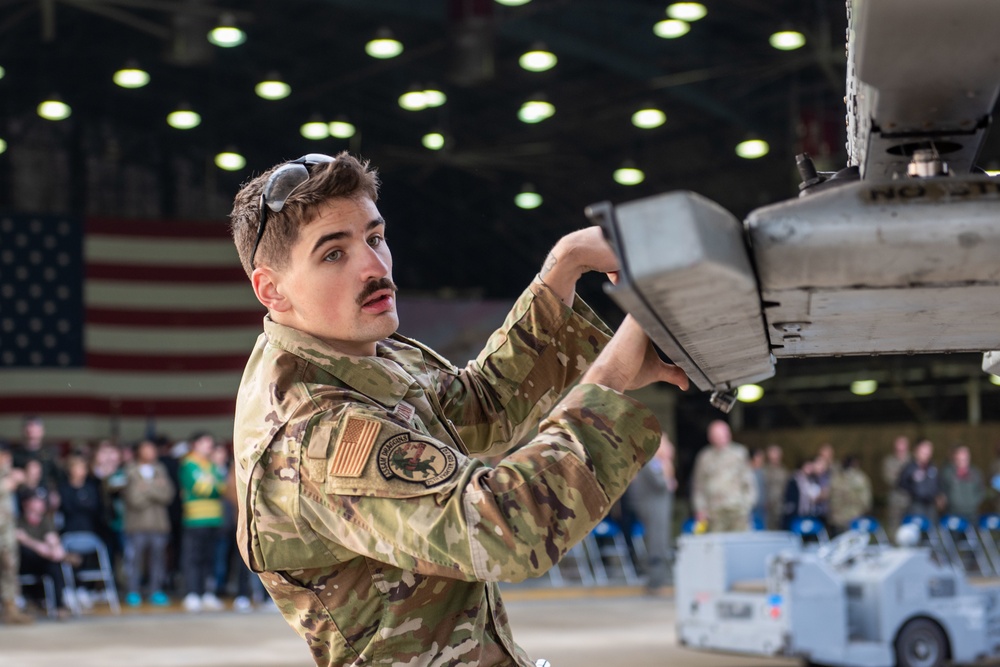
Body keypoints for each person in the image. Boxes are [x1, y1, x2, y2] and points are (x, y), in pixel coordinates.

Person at [227, 151, 688, 666]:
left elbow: (478, 409)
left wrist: (567, 264)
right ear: (272, 290)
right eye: (333, 255)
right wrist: (614, 370)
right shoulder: (315, 430)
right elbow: (504, 529)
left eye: (375, 239)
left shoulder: (363, 352)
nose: (374, 267)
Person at [122, 439, 176, 608]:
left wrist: (146, 487)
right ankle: (133, 591)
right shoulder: (130, 470)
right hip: (136, 524)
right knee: (134, 560)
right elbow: (133, 499)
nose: (150, 453)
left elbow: (168, 495)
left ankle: (156, 591)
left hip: (159, 524)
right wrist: (155, 488)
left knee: (158, 560)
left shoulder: (160, 469)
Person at [178, 432, 226, 612]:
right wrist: (212, 484)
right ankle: (192, 593)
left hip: (214, 518)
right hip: (195, 519)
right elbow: (201, 488)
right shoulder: (189, 463)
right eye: (205, 443)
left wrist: (212, 484)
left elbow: (221, 487)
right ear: (195, 444)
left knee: (210, 558)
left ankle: (207, 593)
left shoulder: (211, 465)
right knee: (193, 558)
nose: (209, 446)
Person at [626, 433, 677, 593]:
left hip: (658, 507)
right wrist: (667, 468)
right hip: (653, 508)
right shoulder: (652, 461)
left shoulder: (654, 462)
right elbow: (662, 484)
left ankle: (658, 580)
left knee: (660, 543)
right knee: (657, 544)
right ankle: (655, 583)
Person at [15, 488, 78, 618]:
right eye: (36, 500)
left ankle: (59, 606)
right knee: (27, 551)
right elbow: (24, 540)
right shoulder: (18, 521)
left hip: (43, 560)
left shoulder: (45, 520)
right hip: (23, 563)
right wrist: (41, 547)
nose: (40, 503)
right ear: (26, 504)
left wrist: (56, 549)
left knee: (55, 566)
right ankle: (29, 600)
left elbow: (51, 538)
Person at [691, 420, 757, 532]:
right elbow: (698, 486)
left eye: (722, 435)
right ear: (710, 437)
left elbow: (749, 482)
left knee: (740, 544)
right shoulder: (704, 457)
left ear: (729, 435)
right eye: (716, 436)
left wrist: (747, 505)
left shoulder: (740, 453)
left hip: (738, 510)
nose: (719, 439)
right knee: (717, 546)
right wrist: (700, 509)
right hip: (714, 512)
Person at [0, 442, 33, 624]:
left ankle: (10, 608)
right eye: (4, 455)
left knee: (9, 570)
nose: (7, 460)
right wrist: (6, 485)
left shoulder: (9, 474)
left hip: (7, 532)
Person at [897, 439, 941, 522]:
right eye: (924, 450)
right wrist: (913, 492)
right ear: (917, 451)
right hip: (916, 505)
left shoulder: (933, 467)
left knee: (931, 530)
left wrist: (938, 496)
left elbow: (938, 484)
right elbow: (901, 484)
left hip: (931, 505)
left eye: (929, 450)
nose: (926, 453)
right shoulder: (910, 468)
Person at [828, 455, 874, 534]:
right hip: (855, 515)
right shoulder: (861, 478)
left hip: (838, 518)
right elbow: (866, 499)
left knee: (838, 541)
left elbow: (831, 498)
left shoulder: (836, 478)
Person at [940, 445, 985, 523]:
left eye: (964, 458)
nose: (962, 461)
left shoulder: (975, 473)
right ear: (955, 457)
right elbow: (942, 490)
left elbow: (981, 490)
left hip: (972, 513)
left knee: (972, 534)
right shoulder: (947, 472)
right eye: (960, 458)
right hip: (953, 512)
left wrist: (973, 502)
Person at [882, 435, 912, 541]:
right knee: (893, 525)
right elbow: (890, 479)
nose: (901, 449)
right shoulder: (889, 461)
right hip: (895, 499)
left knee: (911, 525)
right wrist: (907, 478)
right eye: (898, 445)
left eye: (903, 445)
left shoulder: (912, 460)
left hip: (911, 499)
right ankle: (893, 546)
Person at [782, 458, 823, 530]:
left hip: (808, 513)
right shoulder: (794, 479)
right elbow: (790, 497)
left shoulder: (812, 480)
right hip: (795, 512)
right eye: (807, 466)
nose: (810, 468)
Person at [762, 444, 789, 530]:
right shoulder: (763, 470)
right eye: (772, 453)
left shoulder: (784, 471)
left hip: (780, 505)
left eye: (776, 453)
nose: (774, 456)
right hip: (766, 506)